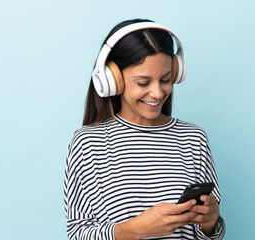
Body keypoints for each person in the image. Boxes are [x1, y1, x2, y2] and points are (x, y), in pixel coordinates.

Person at [64, 18, 225, 240]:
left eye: (165, 79)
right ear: (113, 80)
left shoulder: (193, 138)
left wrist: (210, 223)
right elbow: (77, 234)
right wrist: (137, 229)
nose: (158, 93)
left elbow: (208, 235)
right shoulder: (88, 143)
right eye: (143, 83)